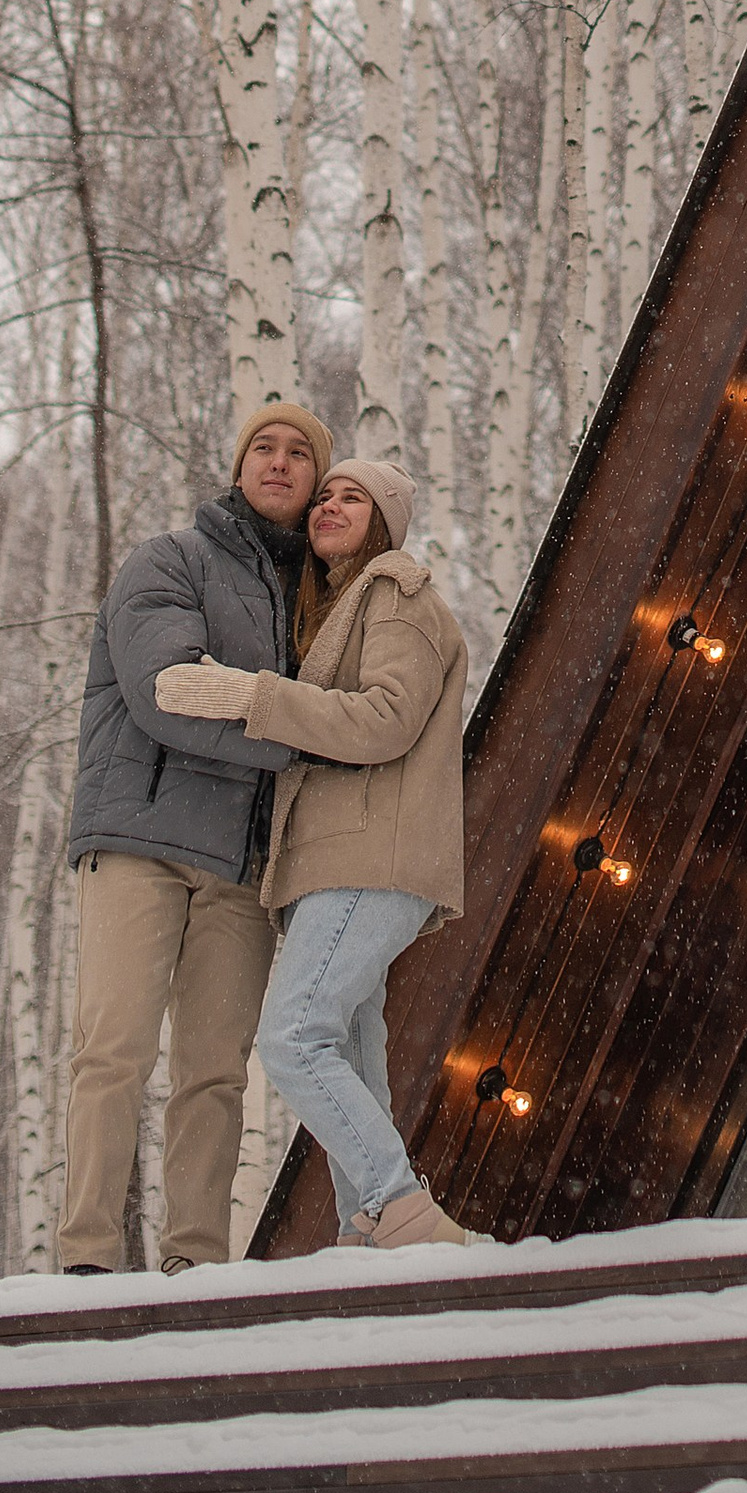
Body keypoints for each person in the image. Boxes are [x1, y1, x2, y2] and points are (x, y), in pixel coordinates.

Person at [158, 451, 473, 1252]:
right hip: (340, 860)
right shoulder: (339, 606)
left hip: (371, 856)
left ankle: (397, 1206)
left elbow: (384, 722)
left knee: (293, 1035)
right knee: (348, 1049)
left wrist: (252, 696)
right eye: (325, 497)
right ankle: (366, 1235)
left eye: (353, 498)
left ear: (386, 521)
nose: (329, 505)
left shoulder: (395, 594)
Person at [58, 400, 331, 1274]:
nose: (280, 462)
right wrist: (302, 729)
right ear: (239, 464)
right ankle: (88, 1256)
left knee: (216, 1073)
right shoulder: (168, 560)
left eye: (299, 453)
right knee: (116, 1051)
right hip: (140, 840)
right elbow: (168, 688)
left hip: (244, 869)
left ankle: (196, 1263)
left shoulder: (323, 604)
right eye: (264, 446)